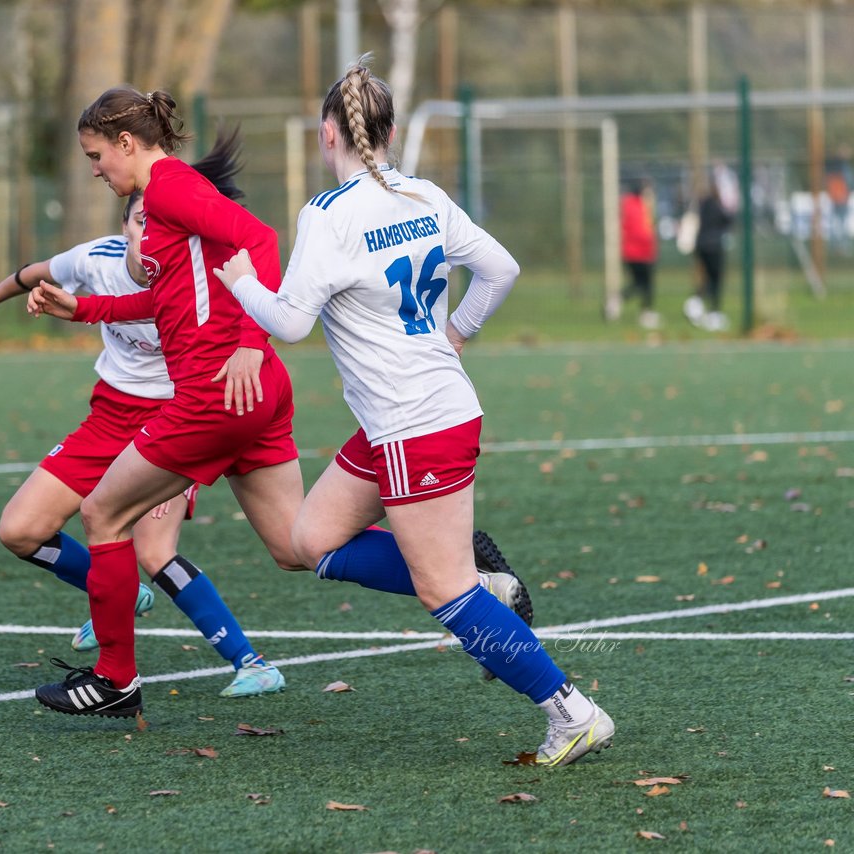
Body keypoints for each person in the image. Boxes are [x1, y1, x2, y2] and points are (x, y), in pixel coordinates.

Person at [212, 55, 614, 767]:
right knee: (310, 541)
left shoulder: (327, 214)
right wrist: (456, 333)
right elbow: (502, 269)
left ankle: (571, 712)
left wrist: (242, 280)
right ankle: (484, 583)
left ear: (325, 133)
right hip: (414, 416)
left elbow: (291, 322)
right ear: (390, 132)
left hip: (413, 423)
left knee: (443, 589)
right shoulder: (424, 194)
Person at [0, 131, 284, 698]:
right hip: (109, 418)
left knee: (156, 551)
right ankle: (116, 593)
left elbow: (248, 262)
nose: (144, 230)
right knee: (19, 529)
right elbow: (38, 271)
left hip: (177, 416)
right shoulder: (97, 257)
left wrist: (251, 341)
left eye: (150, 222)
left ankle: (247, 661)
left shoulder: (192, 263)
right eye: (136, 222)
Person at [25, 86, 308, 719]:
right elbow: (169, 302)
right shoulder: (163, 201)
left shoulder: (169, 191)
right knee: (300, 546)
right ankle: (461, 571)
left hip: (216, 391)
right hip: (254, 393)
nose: (95, 169)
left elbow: (260, 240)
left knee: (102, 515)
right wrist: (86, 309)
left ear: (127, 142)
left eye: (97, 155)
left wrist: (251, 342)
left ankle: (115, 680)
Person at [684, 182, 733, 332]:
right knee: (715, 279)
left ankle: (696, 302)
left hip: (702, 246)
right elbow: (728, 220)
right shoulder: (717, 207)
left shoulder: (703, 205)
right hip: (713, 247)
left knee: (707, 278)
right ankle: (713, 312)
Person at [620, 179, 658, 329]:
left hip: (633, 252)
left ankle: (617, 300)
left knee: (638, 284)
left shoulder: (631, 206)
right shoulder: (638, 207)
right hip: (641, 253)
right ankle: (646, 313)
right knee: (646, 284)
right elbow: (642, 232)